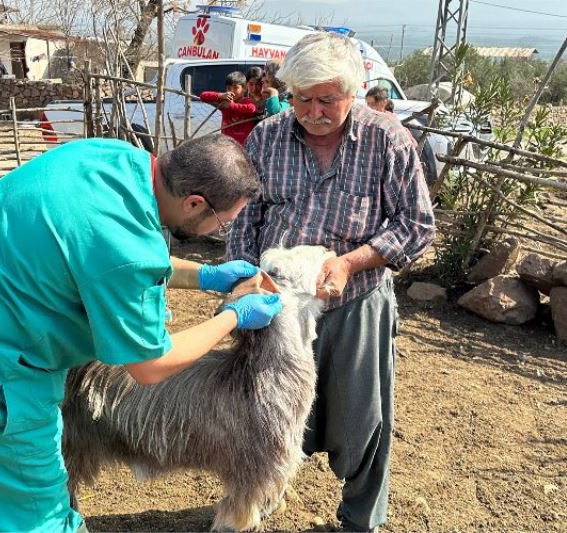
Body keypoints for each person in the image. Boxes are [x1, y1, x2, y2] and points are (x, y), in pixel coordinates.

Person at [0, 135, 283, 532]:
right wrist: (232, 316)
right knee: (38, 518)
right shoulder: (127, 248)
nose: (222, 228)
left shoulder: (108, 157)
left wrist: (205, 275)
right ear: (194, 202)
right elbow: (150, 364)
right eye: (222, 220)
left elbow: (95, 247)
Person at [227, 33, 435, 532]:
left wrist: (351, 263)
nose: (311, 110)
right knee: (267, 408)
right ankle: (264, 492)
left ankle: (361, 518)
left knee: (363, 416)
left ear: (354, 91)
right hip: (277, 304)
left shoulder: (387, 139)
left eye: (326, 99)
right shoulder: (268, 136)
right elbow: (245, 217)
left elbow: (417, 224)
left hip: (355, 301)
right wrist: (243, 278)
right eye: (301, 98)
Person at [199, 71, 257, 145]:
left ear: (245, 88)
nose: (231, 91)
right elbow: (203, 96)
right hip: (225, 144)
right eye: (229, 88)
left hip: (243, 145)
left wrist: (231, 106)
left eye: (236, 88)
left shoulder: (247, 101)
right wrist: (220, 95)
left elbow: (251, 109)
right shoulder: (225, 100)